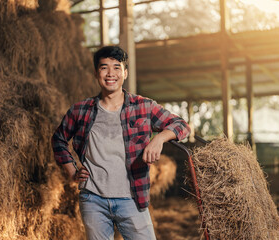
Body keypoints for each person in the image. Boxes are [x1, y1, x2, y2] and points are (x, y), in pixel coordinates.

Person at [51, 46, 190, 240]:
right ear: (96, 73)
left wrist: (159, 138)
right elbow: (58, 139)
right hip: (93, 199)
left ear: (125, 73)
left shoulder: (144, 106)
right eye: (104, 67)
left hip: (132, 199)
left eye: (116, 67)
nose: (110, 74)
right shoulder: (80, 110)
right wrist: (72, 171)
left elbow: (181, 125)